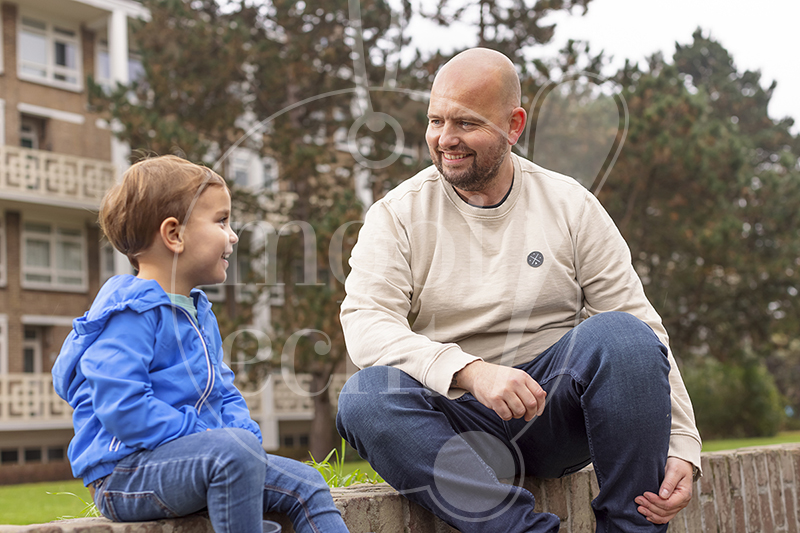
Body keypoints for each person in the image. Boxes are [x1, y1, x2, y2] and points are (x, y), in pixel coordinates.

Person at [336, 48, 702, 532]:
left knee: (625, 335)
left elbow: (644, 326)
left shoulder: (571, 205)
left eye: (465, 123)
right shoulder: (397, 214)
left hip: (552, 417)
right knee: (364, 396)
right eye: (435, 121)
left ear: (513, 126)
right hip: (452, 425)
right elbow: (366, 323)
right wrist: (471, 371)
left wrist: (681, 442)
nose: (446, 139)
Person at [52, 155, 349, 533]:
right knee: (232, 456)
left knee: (305, 483)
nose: (233, 235)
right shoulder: (130, 314)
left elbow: (223, 392)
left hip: (204, 460)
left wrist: (246, 442)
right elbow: (123, 407)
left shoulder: (197, 311)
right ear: (174, 235)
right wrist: (213, 439)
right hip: (126, 475)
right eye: (221, 221)